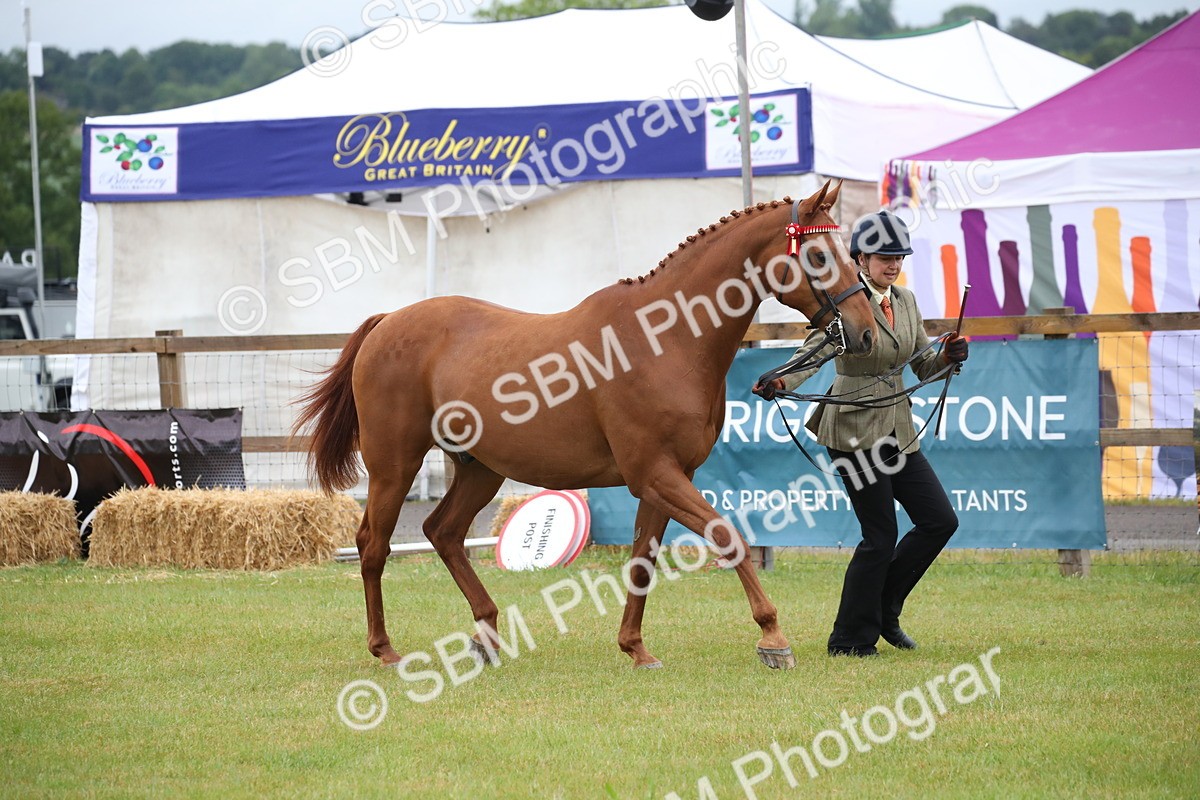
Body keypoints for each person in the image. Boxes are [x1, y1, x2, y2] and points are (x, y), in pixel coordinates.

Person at [755, 210, 969, 657]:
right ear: (860, 259)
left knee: (940, 521)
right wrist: (781, 379)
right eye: (884, 257)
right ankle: (850, 639)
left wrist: (949, 356)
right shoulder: (846, 301)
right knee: (880, 536)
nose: (893, 264)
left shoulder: (906, 301)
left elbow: (922, 364)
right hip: (852, 429)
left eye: (899, 257)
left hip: (898, 429)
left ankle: (886, 608)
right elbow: (814, 351)